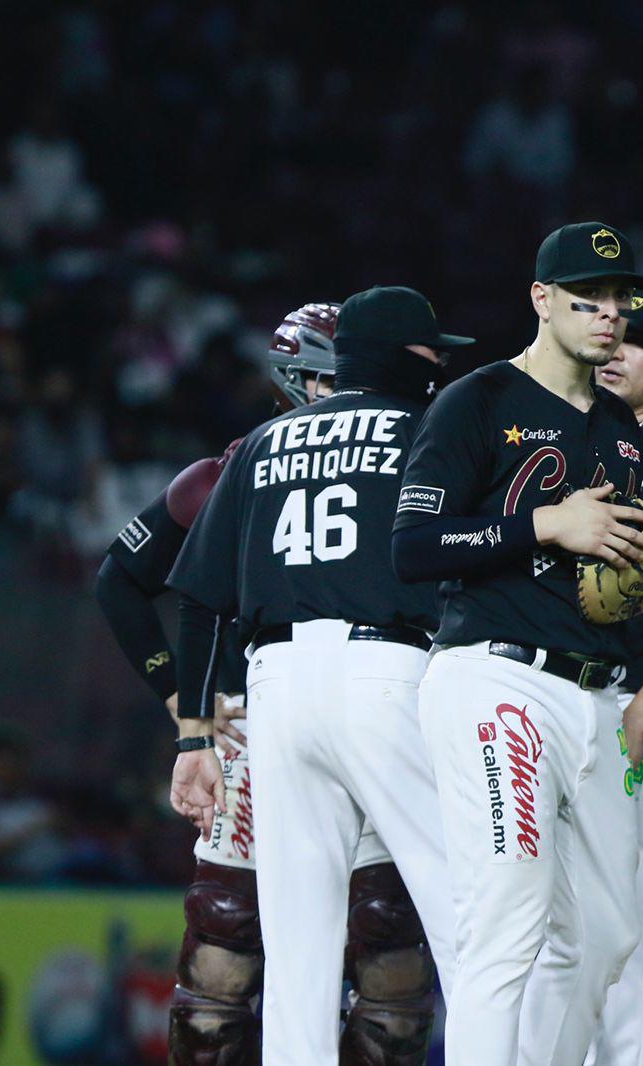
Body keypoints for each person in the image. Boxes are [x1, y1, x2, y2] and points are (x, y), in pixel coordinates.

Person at [167, 287, 471, 1066]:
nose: (441, 364)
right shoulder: (428, 428)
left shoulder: (267, 440)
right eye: (432, 350)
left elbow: (198, 595)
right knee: (467, 916)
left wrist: (195, 733)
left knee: (299, 950)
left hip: (276, 686)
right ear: (402, 356)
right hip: (389, 672)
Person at [391, 221, 643, 1065]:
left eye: (621, 299)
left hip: (598, 691)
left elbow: (608, 556)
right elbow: (413, 548)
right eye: (590, 298)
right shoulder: (478, 400)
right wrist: (547, 523)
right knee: (505, 923)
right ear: (542, 300)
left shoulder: (620, 422)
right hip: (497, 680)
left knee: (611, 935)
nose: (610, 314)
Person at [523, 277, 643, 1066]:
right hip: (579, 701)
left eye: (639, 344)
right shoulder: (587, 430)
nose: (616, 352)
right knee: (570, 928)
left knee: (627, 928)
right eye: (615, 334)